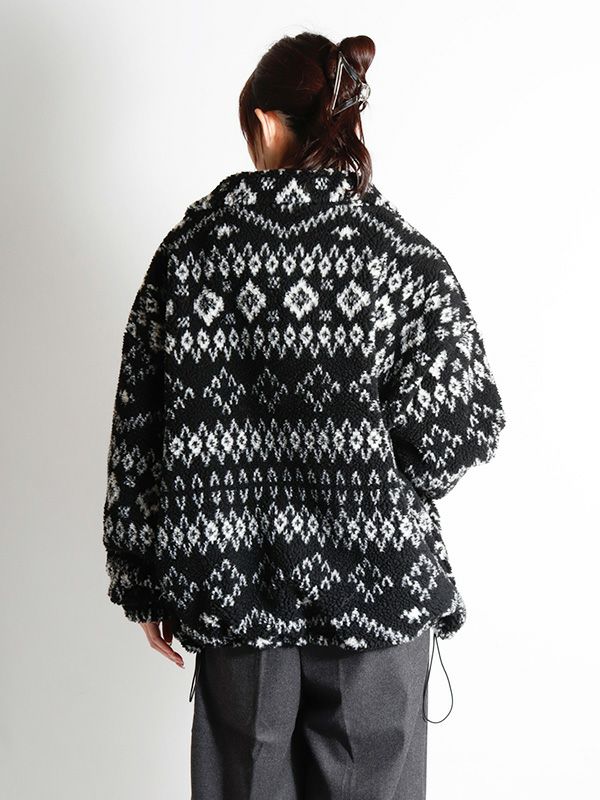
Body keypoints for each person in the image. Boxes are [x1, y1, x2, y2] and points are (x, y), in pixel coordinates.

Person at [102, 31, 505, 800]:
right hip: (377, 594)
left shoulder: (191, 252)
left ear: (266, 121)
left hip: (232, 585)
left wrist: (142, 576)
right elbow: (467, 419)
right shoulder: (394, 254)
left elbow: (139, 430)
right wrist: (376, 485)